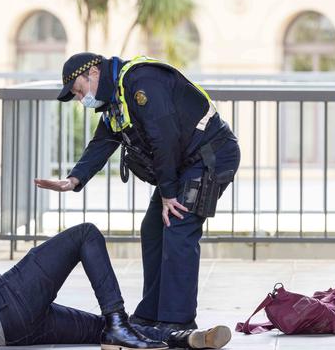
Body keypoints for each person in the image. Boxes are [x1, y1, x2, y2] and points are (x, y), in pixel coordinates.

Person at [35, 53, 241, 332]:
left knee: (178, 226)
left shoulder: (141, 81)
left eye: (80, 91)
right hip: (184, 163)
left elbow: (164, 137)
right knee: (153, 229)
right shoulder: (115, 101)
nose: (81, 100)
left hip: (210, 155)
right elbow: (103, 141)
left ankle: (176, 321)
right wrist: (73, 179)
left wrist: (168, 193)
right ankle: (151, 314)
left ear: (93, 72)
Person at [0, 221, 232, 350]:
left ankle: (182, 339)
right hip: (3, 302)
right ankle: (122, 321)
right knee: (85, 235)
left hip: (12, 332)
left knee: (102, 331)